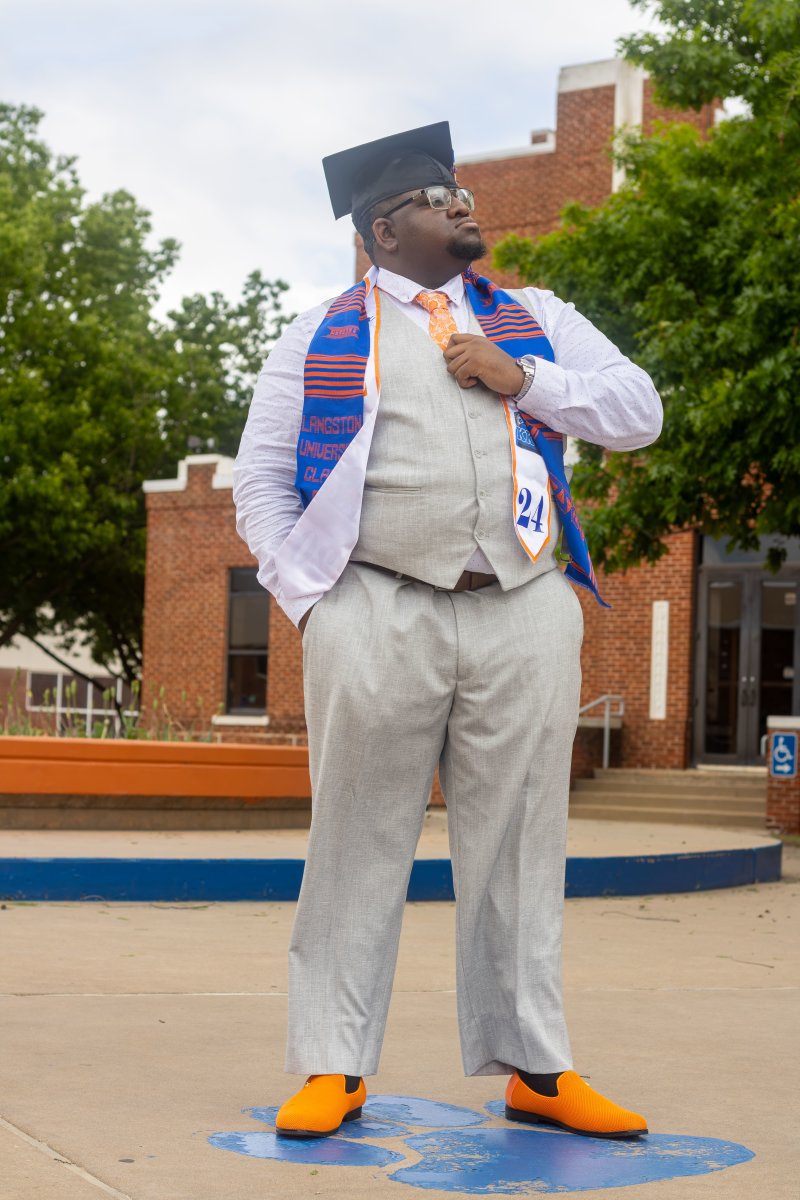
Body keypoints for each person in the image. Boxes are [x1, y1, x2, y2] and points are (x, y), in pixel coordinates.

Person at [233, 121, 662, 1141]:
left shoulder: (537, 319)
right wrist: (312, 600)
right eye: (436, 200)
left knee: (521, 844)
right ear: (384, 229)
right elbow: (259, 479)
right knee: (356, 841)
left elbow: (635, 409)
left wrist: (526, 380)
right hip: (376, 603)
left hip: (519, 604)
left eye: (460, 194)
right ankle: (331, 1065)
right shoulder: (316, 336)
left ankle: (535, 1071)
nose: (462, 205)